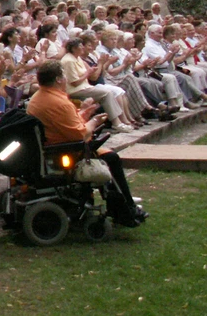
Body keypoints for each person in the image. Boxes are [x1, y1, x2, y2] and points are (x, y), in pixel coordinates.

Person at [26, 61, 147, 228]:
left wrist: (83, 114)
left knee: (107, 153)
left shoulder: (39, 98)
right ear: (59, 79)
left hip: (58, 145)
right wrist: (94, 121)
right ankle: (127, 210)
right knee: (112, 158)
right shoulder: (58, 102)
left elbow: (66, 125)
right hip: (67, 151)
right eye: (64, 76)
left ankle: (123, 204)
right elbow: (80, 134)